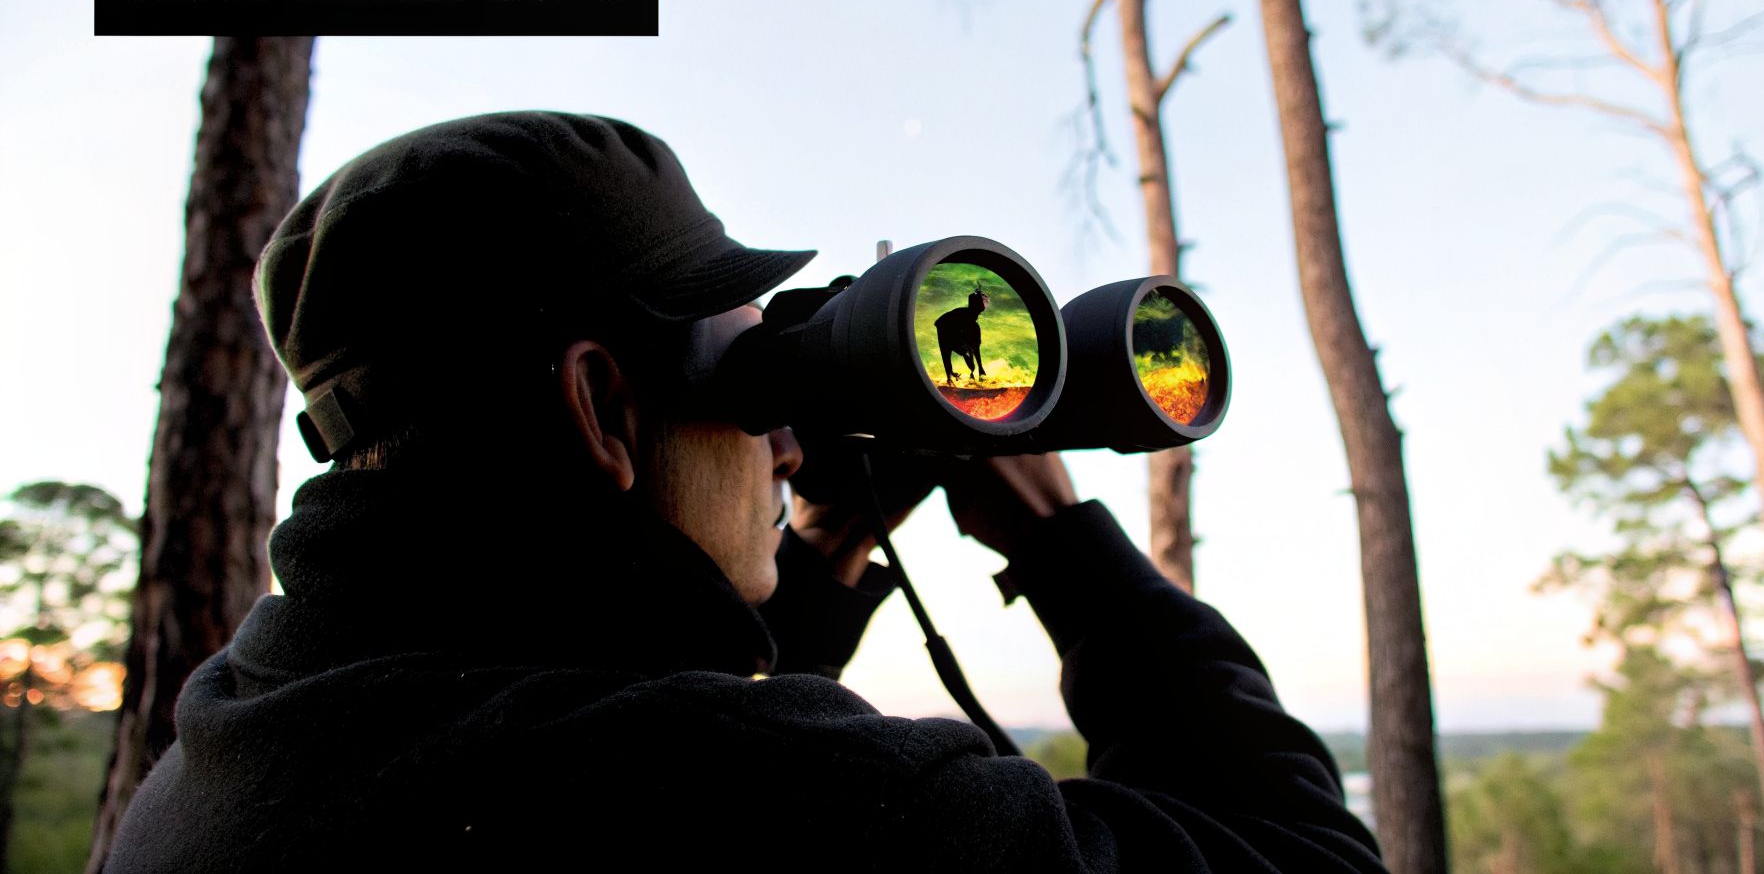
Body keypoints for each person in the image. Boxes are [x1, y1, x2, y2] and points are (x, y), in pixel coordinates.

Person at [103, 112, 1386, 872]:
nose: (781, 439)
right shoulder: (719, 791)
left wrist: (820, 545)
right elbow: (1311, 859)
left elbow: (628, 698)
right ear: (602, 405)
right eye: (753, 371)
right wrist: (1057, 537)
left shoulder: (238, 723)